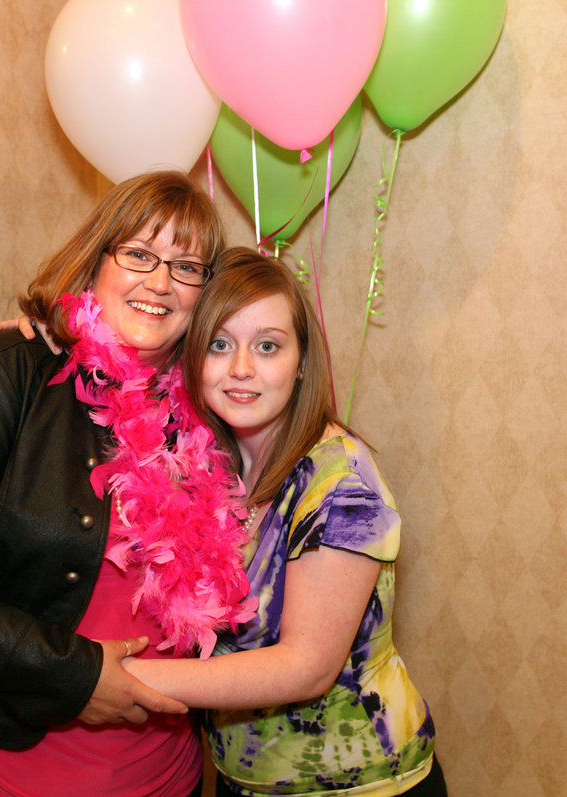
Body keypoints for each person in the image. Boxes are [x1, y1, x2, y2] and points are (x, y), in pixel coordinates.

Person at [0, 171, 257, 797]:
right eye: (140, 255)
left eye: (186, 267)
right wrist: (68, 674)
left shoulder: (211, 409)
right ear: (96, 261)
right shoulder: (5, 370)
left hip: (160, 779)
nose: (160, 282)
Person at [122, 247, 447, 796]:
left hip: (357, 785)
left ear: (301, 362)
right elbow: (117, 375)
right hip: (240, 778)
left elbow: (306, 668)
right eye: (220, 345)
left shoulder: (342, 484)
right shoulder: (208, 464)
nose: (242, 369)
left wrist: (117, 680)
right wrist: (45, 340)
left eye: (267, 346)